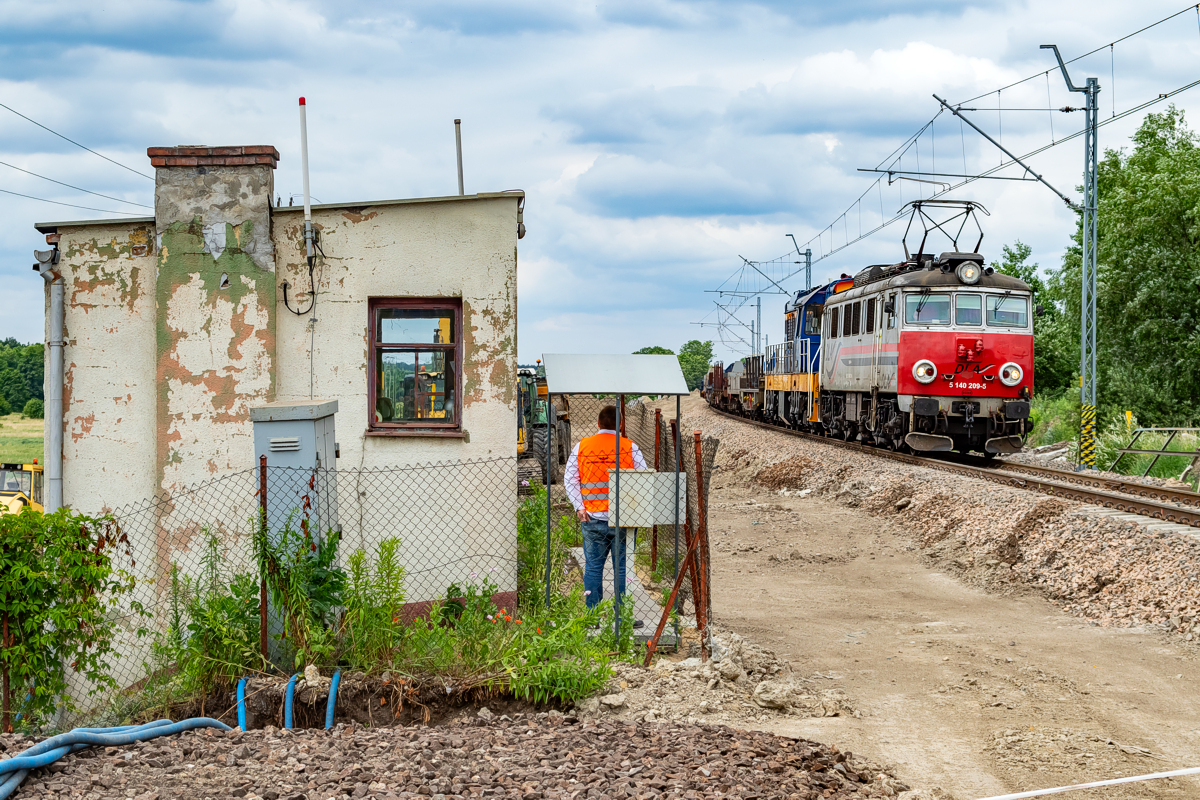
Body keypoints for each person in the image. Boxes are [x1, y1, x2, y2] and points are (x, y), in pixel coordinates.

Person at [564, 405, 647, 622]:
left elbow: (570, 478)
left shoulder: (582, 446)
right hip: (623, 520)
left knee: (593, 567)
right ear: (620, 424)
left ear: (598, 423)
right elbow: (644, 480)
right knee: (622, 569)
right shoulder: (630, 447)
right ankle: (621, 618)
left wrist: (580, 507)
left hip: (592, 519)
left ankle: (592, 618)